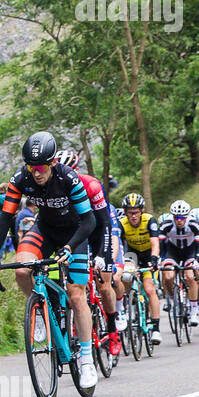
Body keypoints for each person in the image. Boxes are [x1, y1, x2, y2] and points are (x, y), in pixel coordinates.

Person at [0, 131, 98, 388]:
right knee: (22, 269)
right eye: (31, 167)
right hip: (45, 230)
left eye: (41, 167)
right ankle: (38, 312)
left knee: (76, 294)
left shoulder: (68, 178)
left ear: (53, 163)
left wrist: (70, 247)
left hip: (75, 233)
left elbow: (89, 219)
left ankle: (86, 358)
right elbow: (5, 218)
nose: (36, 173)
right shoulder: (20, 179)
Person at [56, 150, 121, 356]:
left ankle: (112, 329)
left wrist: (102, 254)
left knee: (104, 285)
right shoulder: (56, 187)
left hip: (98, 233)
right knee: (71, 286)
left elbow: (105, 224)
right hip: (76, 236)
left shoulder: (91, 185)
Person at [116, 193, 163, 344]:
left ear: (141, 211)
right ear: (125, 213)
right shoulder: (122, 223)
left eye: (136, 212)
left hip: (148, 255)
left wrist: (154, 259)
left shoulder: (149, 220)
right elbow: (117, 243)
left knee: (150, 290)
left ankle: (156, 329)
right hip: (132, 254)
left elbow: (155, 243)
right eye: (130, 213)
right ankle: (130, 301)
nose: (133, 216)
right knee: (126, 276)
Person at [159, 199, 199, 326]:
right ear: (173, 216)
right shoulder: (166, 225)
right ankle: (174, 300)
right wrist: (161, 259)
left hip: (190, 252)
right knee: (168, 276)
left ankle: (194, 311)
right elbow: (161, 244)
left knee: (190, 277)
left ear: (187, 216)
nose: (179, 220)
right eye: (176, 217)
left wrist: (197, 259)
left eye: (182, 217)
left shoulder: (194, 224)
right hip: (173, 252)